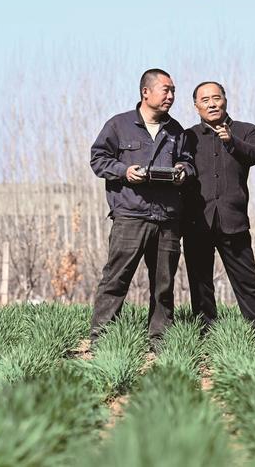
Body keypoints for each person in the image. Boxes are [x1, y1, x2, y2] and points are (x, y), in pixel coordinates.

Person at [89, 68, 195, 348]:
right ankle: (102, 338)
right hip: (130, 216)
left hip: (167, 218)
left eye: (173, 91)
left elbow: (188, 162)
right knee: (116, 279)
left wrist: (182, 170)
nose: (171, 96)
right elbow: (98, 159)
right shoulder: (119, 125)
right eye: (166, 90)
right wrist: (124, 171)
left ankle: (160, 339)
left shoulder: (176, 130)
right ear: (146, 92)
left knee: (163, 284)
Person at [182, 81, 255, 341]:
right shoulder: (187, 136)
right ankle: (206, 333)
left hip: (233, 219)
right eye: (205, 100)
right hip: (197, 220)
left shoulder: (246, 130)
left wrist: (231, 141)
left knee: (247, 280)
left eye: (216, 98)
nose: (212, 104)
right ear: (196, 106)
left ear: (225, 100)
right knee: (200, 281)